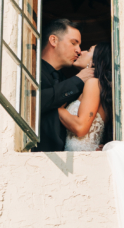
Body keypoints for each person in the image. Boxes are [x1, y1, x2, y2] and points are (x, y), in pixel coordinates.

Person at [37, 18, 94, 151]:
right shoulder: (29, 71)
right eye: (74, 43)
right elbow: (33, 102)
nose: (79, 50)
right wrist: (78, 80)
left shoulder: (66, 80)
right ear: (54, 40)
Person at [58, 42, 113, 151]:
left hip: (83, 156)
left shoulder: (93, 84)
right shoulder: (93, 86)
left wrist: (55, 106)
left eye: (88, 50)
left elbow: (80, 128)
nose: (81, 52)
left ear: (97, 60)